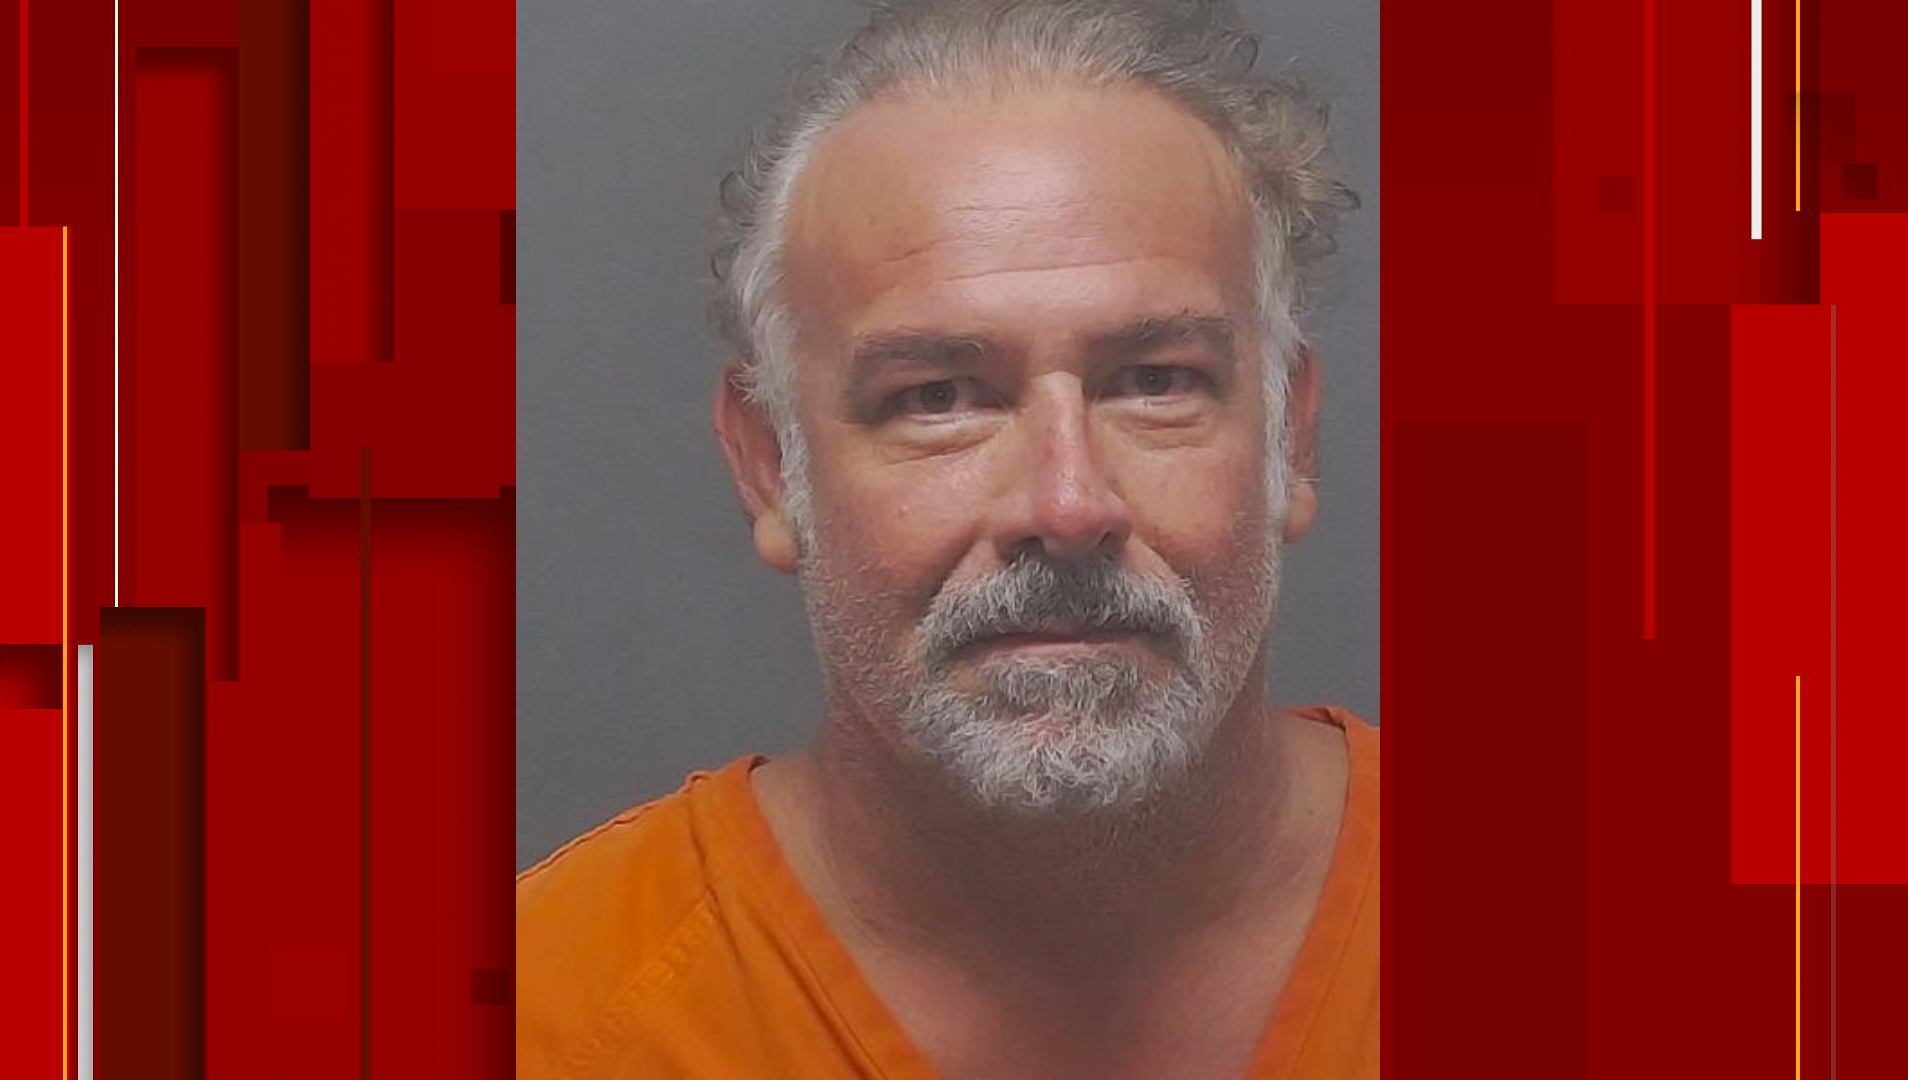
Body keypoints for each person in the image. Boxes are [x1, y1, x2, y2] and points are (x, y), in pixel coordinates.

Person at [517, 2, 1374, 1076]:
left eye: (1156, 382)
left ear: (1289, 437)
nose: (1068, 505)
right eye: (939, 398)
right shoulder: (543, 1018)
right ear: (770, 463)